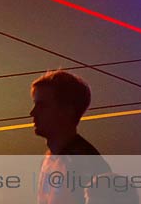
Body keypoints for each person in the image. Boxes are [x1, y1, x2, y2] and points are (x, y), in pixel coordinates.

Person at [31, 69, 123, 203]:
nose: (33, 113)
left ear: (67, 111)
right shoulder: (51, 158)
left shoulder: (85, 166)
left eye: (42, 106)